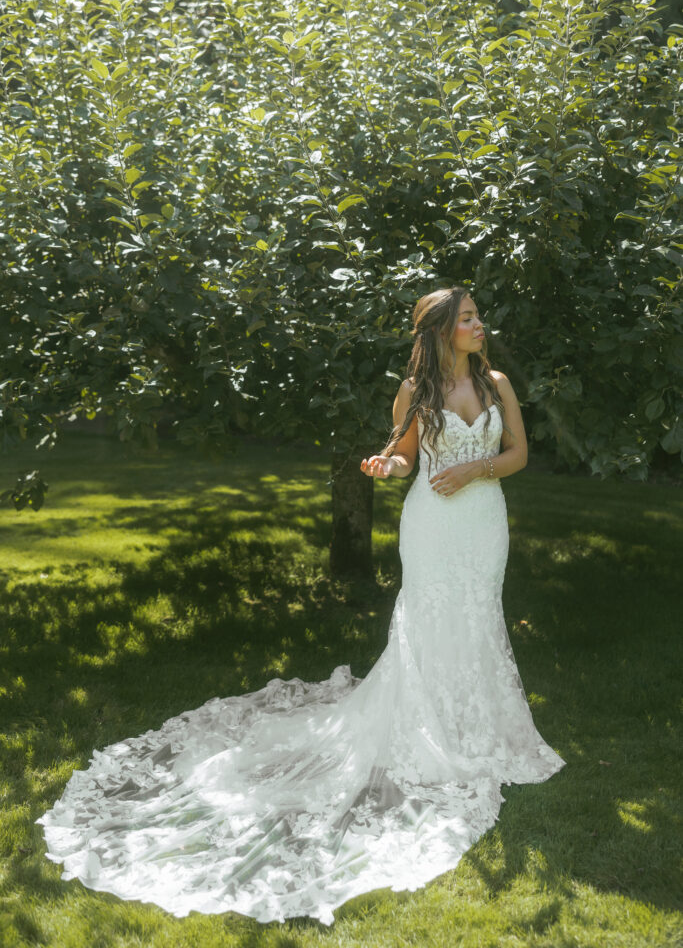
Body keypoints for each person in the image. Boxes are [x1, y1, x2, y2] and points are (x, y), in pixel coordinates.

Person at [37, 286, 564, 926]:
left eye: (479, 316)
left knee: (478, 614)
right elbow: (402, 459)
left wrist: (474, 470)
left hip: (482, 521)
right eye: (469, 319)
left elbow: (518, 454)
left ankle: (480, 727)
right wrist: (386, 467)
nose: (481, 326)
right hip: (431, 526)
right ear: (441, 332)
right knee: (427, 619)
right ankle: (431, 731)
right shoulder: (415, 394)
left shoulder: (496, 383)